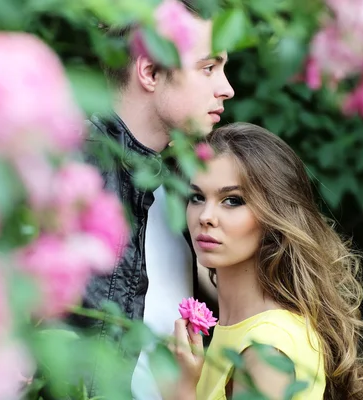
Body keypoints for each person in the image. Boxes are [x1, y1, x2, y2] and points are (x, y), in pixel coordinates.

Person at [64, 1, 235, 398]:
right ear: (150, 71)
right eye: (208, 68)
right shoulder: (68, 175)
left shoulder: (183, 195)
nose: (226, 87)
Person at [170, 123, 363, 400]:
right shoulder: (242, 327)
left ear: (274, 215)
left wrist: (183, 390)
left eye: (232, 201)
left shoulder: (267, 348)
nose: (205, 216)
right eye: (197, 197)